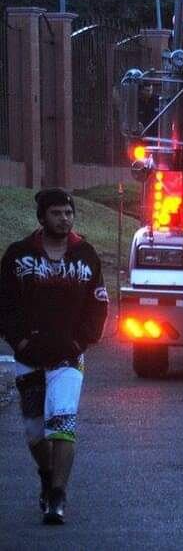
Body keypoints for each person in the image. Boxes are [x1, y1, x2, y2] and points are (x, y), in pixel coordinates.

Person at [0, 189, 109, 524]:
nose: (65, 218)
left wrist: (81, 341)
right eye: (57, 213)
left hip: (68, 358)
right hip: (29, 357)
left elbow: (98, 303)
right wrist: (18, 342)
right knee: (35, 433)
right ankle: (47, 477)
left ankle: (58, 497)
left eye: (68, 212)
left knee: (63, 425)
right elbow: (5, 304)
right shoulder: (18, 256)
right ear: (42, 217)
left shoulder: (86, 254)